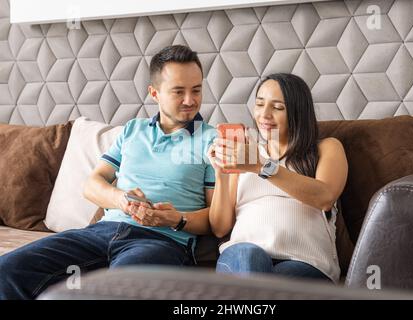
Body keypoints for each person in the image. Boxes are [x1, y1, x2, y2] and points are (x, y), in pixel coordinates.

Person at [0, 45, 216, 300]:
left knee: (116, 289)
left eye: (197, 90)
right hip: (101, 233)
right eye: (179, 91)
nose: (190, 100)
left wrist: (175, 219)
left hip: (162, 242)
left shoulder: (212, 140)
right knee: (7, 271)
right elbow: (92, 185)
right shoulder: (132, 131)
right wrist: (122, 200)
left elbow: (216, 220)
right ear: (154, 93)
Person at [208, 73, 348, 283]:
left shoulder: (326, 148)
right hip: (242, 257)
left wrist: (261, 166)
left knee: (266, 283)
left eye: (277, 107)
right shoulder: (245, 155)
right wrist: (221, 173)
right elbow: (220, 227)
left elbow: (325, 197)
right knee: (248, 256)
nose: (264, 115)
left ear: (298, 112)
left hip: (306, 262)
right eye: (259, 104)